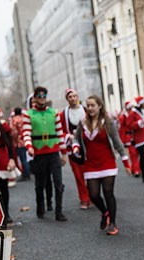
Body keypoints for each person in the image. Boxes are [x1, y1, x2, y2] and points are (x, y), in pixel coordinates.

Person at [72, 95, 131, 235]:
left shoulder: (108, 122)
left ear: (99, 106)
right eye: (88, 105)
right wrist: (75, 148)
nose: (90, 108)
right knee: (93, 195)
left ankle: (113, 223)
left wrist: (126, 163)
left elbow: (117, 142)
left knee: (108, 192)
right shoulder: (83, 123)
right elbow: (76, 139)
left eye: (93, 105)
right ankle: (105, 212)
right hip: (91, 164)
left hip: (107, 163)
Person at [22, 86, 68, 221]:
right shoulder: (28, 114)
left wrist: (64, 153)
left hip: (54, 152)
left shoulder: (54, 113)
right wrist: (29, 146)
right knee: (40, 183)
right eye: (39, 96)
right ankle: (40, 207)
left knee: (58, 182)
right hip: (39, 152)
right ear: (35, 98)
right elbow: (26, 132)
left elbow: (60, 134)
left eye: (44, 96)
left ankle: (59, 211)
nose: (42, 98)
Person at [59, 88, 91, 210]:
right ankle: (84, 198)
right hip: (72, 147)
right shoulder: (64, 114)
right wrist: (69, 137)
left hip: (87, 146)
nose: (72, 99)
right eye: (70, 97)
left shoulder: (86, 111)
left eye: (74, 96)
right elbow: (59, 130)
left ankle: (92, 194)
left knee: (89, 172)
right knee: (78, 174)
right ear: (67, 99)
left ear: (77, 97)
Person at [119, 101, 140, 176]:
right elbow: (121, 129)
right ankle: (136, 170)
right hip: (128, 137)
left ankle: (135, 168)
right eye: (131, 107)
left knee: (135, 153)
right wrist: (121, 140)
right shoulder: (123, 117)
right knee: (133, 153)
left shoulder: (135, 114)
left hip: (136, 136)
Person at [10, 107, 30, 181]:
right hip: (26, 141)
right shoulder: (24, 118)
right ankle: (28, 172)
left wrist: (14, 141)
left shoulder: (14, 119)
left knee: (23, 159)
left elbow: (14, 131)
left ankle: (26, 174)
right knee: (26, 158)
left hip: (19, 142)